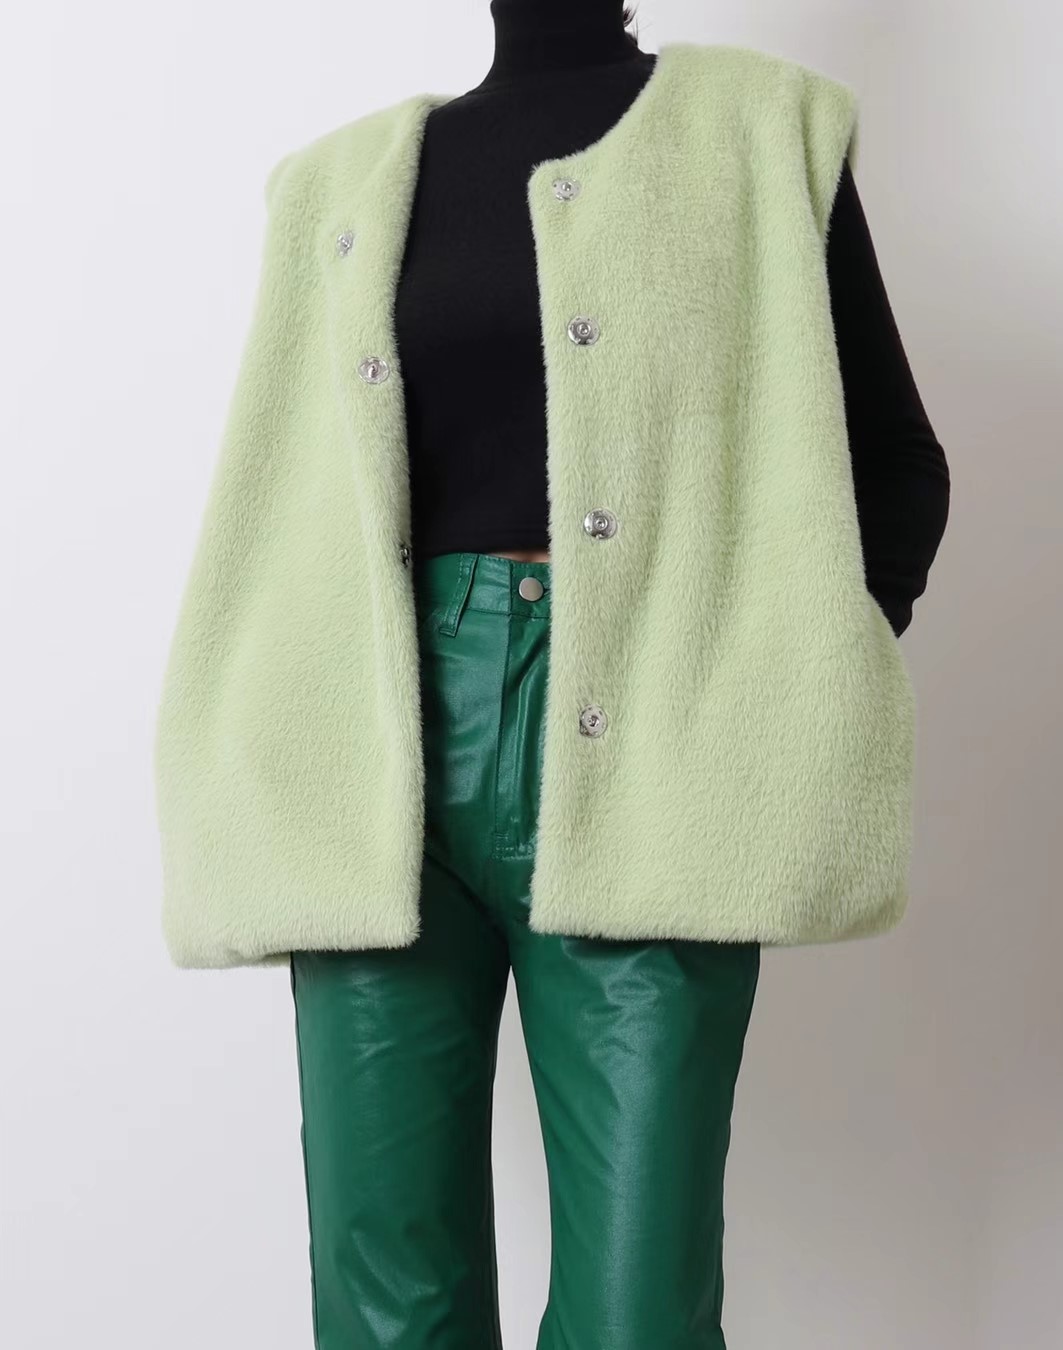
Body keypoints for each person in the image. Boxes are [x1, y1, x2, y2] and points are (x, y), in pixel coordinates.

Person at [154, 3, 950, 1346]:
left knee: (640, 1315)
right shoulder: (334, 185)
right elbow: (280, 500)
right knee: (384, 1298)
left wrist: (773, 672)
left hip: (655, 745)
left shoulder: (762, 130)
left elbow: (897, 469)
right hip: (378, 761)